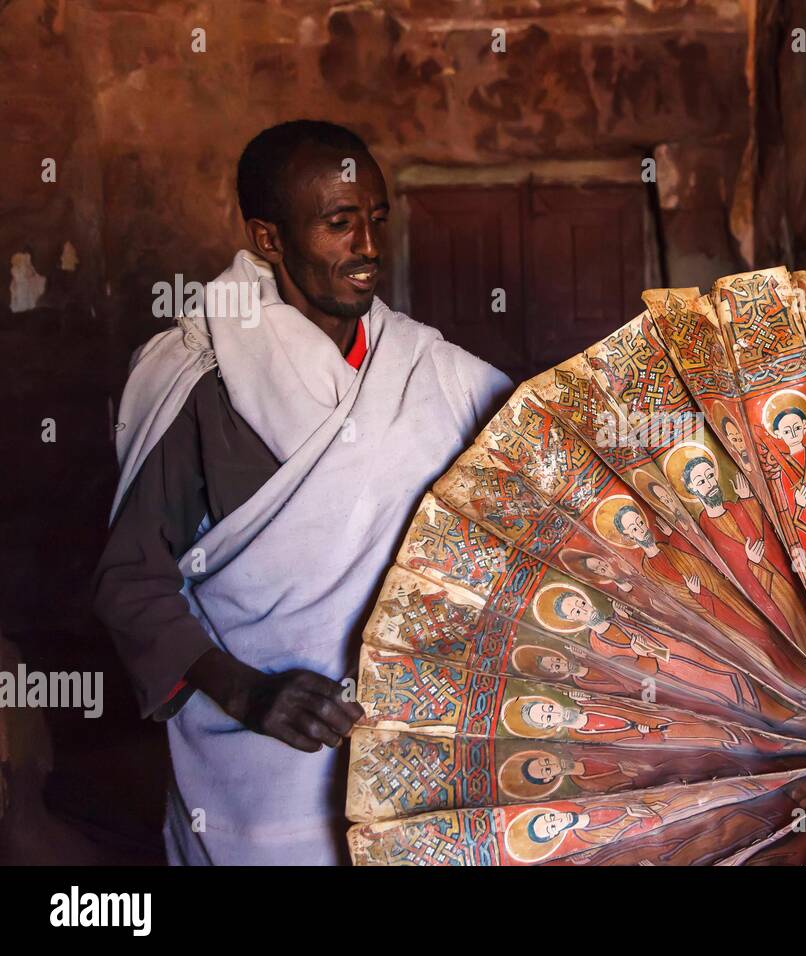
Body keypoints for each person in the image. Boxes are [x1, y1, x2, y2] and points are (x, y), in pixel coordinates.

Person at [92, 120, 511, 865]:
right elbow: (131, 581)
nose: (370, 248)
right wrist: (250, 694)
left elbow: (535, 488)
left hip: (417, 761)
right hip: (258, 777)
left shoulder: (431, 371)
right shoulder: (196, 377)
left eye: (377, 218)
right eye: (339, 223)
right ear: (269, 238)